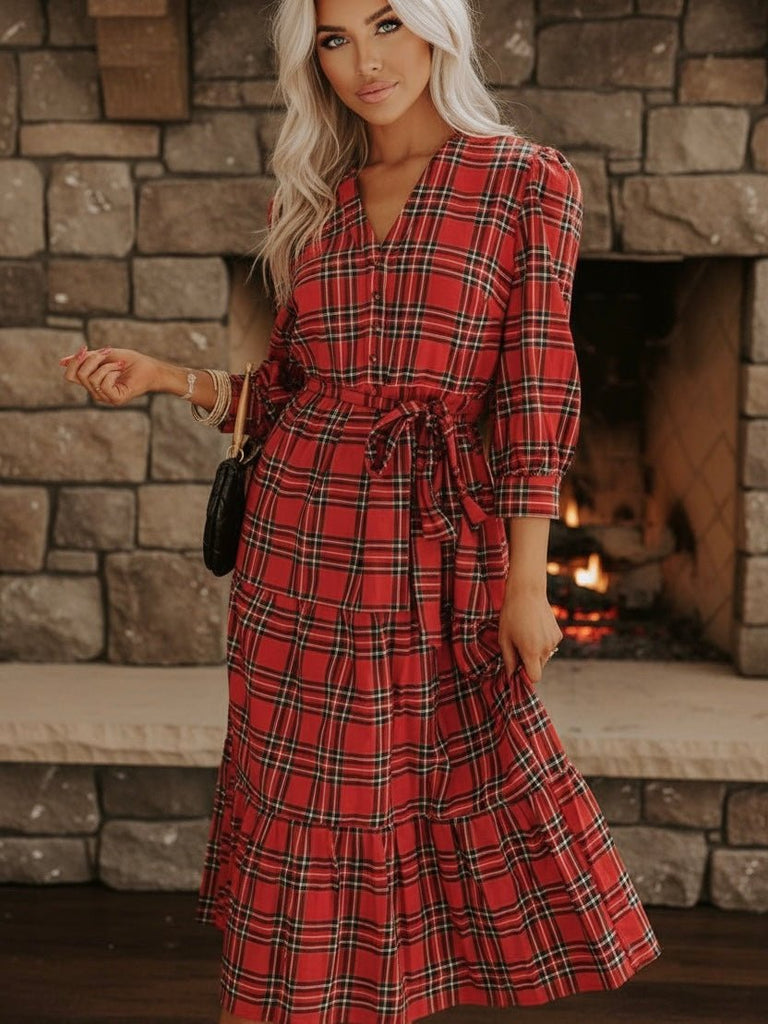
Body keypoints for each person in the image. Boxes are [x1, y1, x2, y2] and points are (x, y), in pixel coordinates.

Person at [60, 1, 661, 1022]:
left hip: (428, 559)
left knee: (408, 811)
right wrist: (164, 376)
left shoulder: (527, 180)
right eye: (334, 39)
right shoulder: (322, 199)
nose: (363, 60)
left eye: (386, 24)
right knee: (305, 813)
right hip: (295, 556)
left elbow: (536, 393)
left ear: (437, 29)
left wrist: (529, 581)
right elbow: (293, 396)